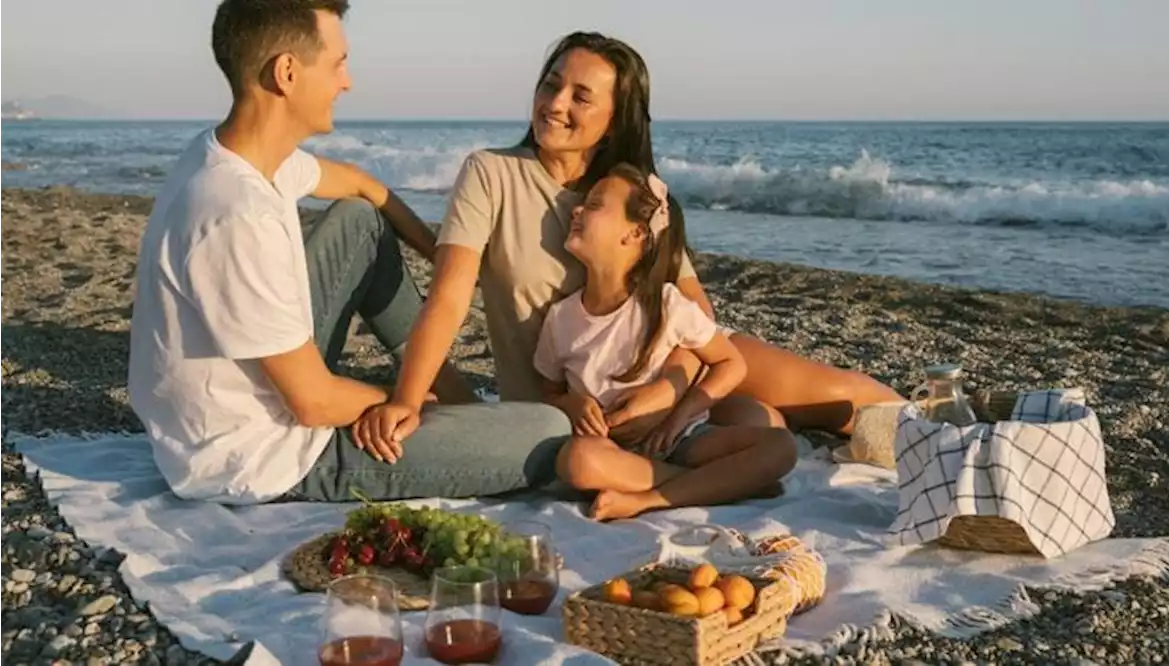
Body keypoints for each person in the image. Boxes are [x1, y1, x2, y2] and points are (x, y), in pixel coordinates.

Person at [357, 31, 901, 456]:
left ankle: (960, 438)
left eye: (580, 96)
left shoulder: (632, 192)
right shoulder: (491, 173)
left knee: (849, 402)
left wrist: (667, 396)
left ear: (614, 118)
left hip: (677, 373)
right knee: (767, 426)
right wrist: (407, 399)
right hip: (566, 406)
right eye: (550, 84)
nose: (555, 103)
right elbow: (449, 298)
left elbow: (695, 317)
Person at [125, 0, 571, 506]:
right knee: (548, 429)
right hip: (261, 456)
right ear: (287, 73)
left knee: (358, 221)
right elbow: (314, 404)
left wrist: (446, 257)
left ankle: (458, 402)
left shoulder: (234, 156)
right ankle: (453, 410)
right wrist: (407, 401)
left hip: (259, 404)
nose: (347, 82)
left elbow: (363, 187)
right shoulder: (235, 212)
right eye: (337, 63)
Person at [533, 164, 796, 520]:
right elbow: (548, 394)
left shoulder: (667, 304)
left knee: (781, 446)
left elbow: (730, 362)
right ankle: (715, 484)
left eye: (594, 205)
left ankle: (650, 499)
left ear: (635, 233)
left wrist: (680, 416)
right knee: (577, 461)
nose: (577, 210)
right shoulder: (560, 318)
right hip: (615, 453)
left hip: (680, 440)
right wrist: (574, 405)